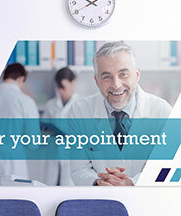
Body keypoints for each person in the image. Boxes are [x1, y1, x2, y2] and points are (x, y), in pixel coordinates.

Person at [69, 41, 172, 186]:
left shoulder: (162, 111)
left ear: (137, 75)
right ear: (97, 81)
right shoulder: (79, 111)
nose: (116, 84)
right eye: (106, 77)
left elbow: (166, 168)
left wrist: (131, 182)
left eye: (123, 74)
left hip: (147, 200)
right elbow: (78, 169)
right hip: (101, 200)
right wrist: (98, 182)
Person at [0, 63, 39, 185]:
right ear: (21, 79)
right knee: (14, 202)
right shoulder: (25, 101)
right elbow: (33, 143)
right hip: (14, 165)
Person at [42, 67, 80, 185]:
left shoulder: (82, 104)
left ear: (72, 82)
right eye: (58, 87)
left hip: (72, 159)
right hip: (53, 156)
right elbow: (43, 133)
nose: (61, 91)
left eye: (63, 87)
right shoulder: (50, 105)